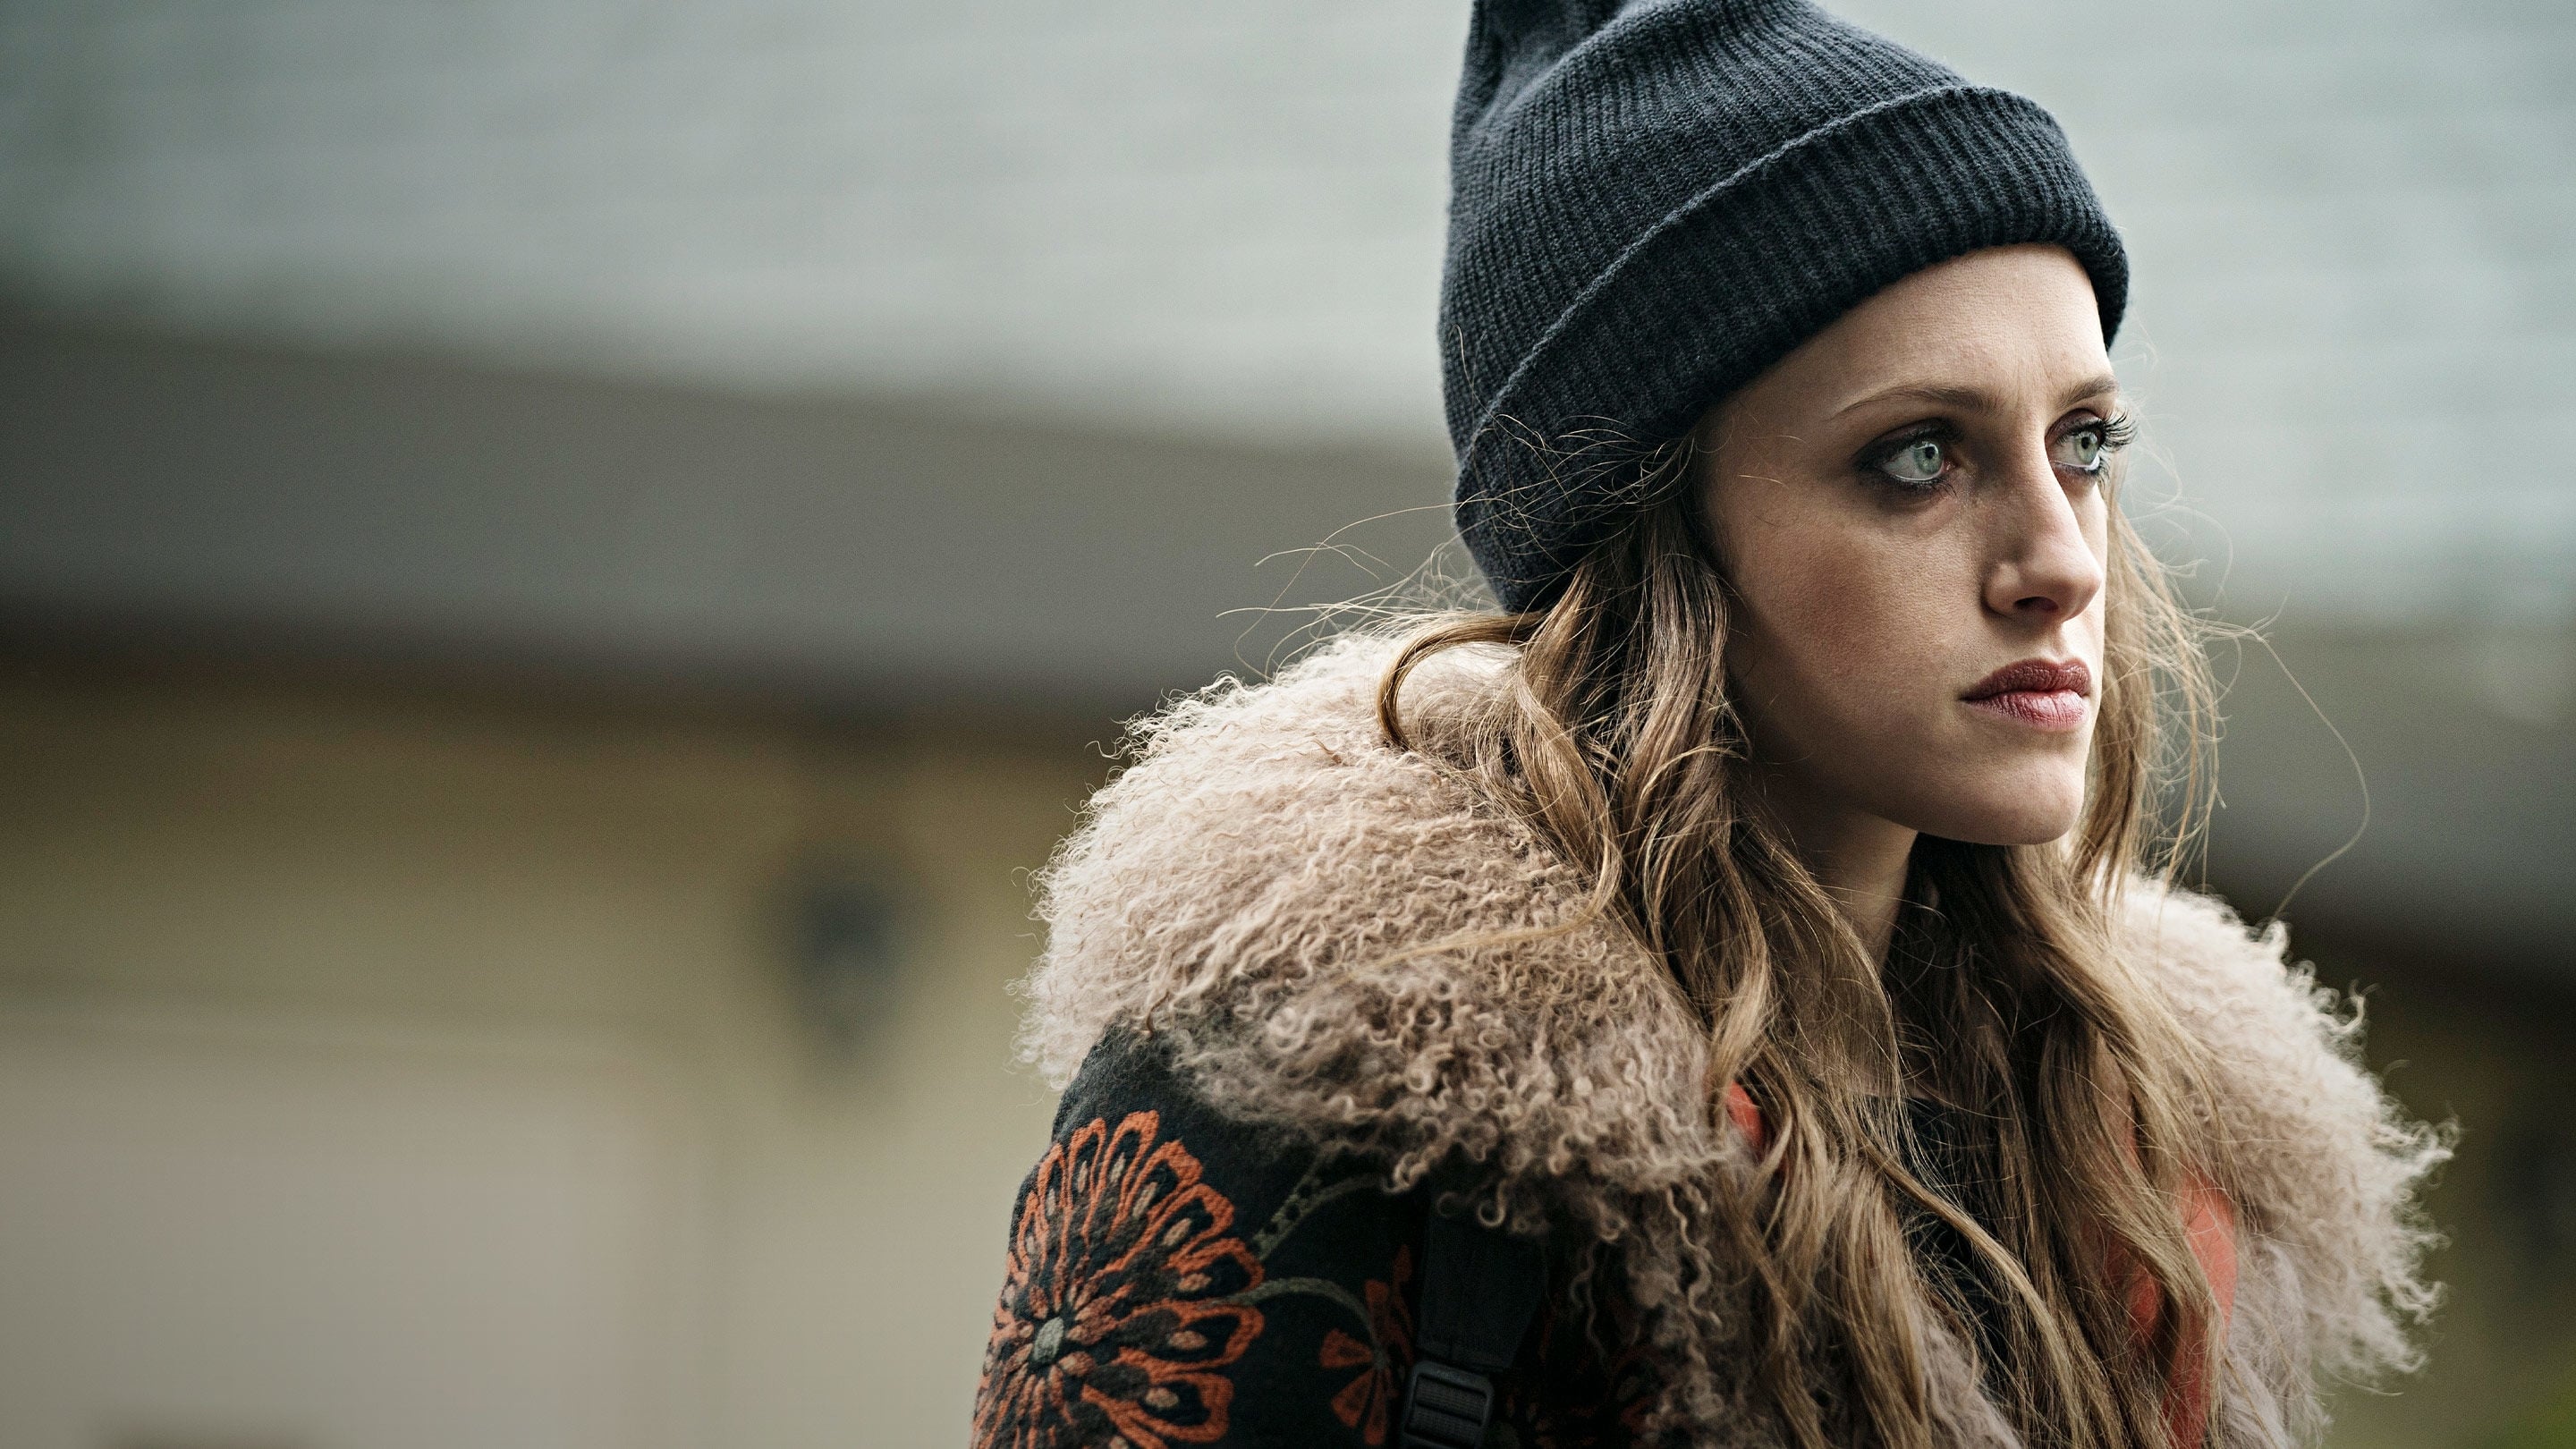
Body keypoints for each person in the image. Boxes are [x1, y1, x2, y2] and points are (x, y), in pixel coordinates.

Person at [970, 3, 2445, 1445]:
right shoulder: (1335, 1098)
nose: (2060, 559)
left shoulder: (2151, 1147)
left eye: (2085, 442)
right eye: (1918, 457)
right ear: (1652, 532)